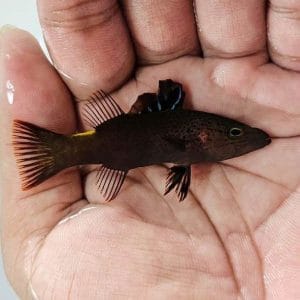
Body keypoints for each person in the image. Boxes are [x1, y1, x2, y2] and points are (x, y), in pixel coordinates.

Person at [1, 1, 300, 299]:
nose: (241, 138)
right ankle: (55, 151)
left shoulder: (195, 147)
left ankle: (55, 151)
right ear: (203, 137)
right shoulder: (191, 144)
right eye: (234, 133)